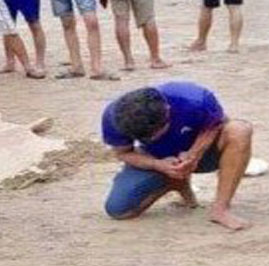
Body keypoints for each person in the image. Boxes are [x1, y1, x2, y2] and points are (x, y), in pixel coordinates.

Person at [101, 81, 254, 231]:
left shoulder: (194, 98)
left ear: (168, 110)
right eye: (147, 137)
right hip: (156, 158)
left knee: (239, 130)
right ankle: (173, 181)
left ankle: (221, 208)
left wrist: (194, 154)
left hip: (204, 153)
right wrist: (157, 164)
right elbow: (123, 153)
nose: (153, 138)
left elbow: (215, 124)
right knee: (119, 210)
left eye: (157, 132)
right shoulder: (113, 118)